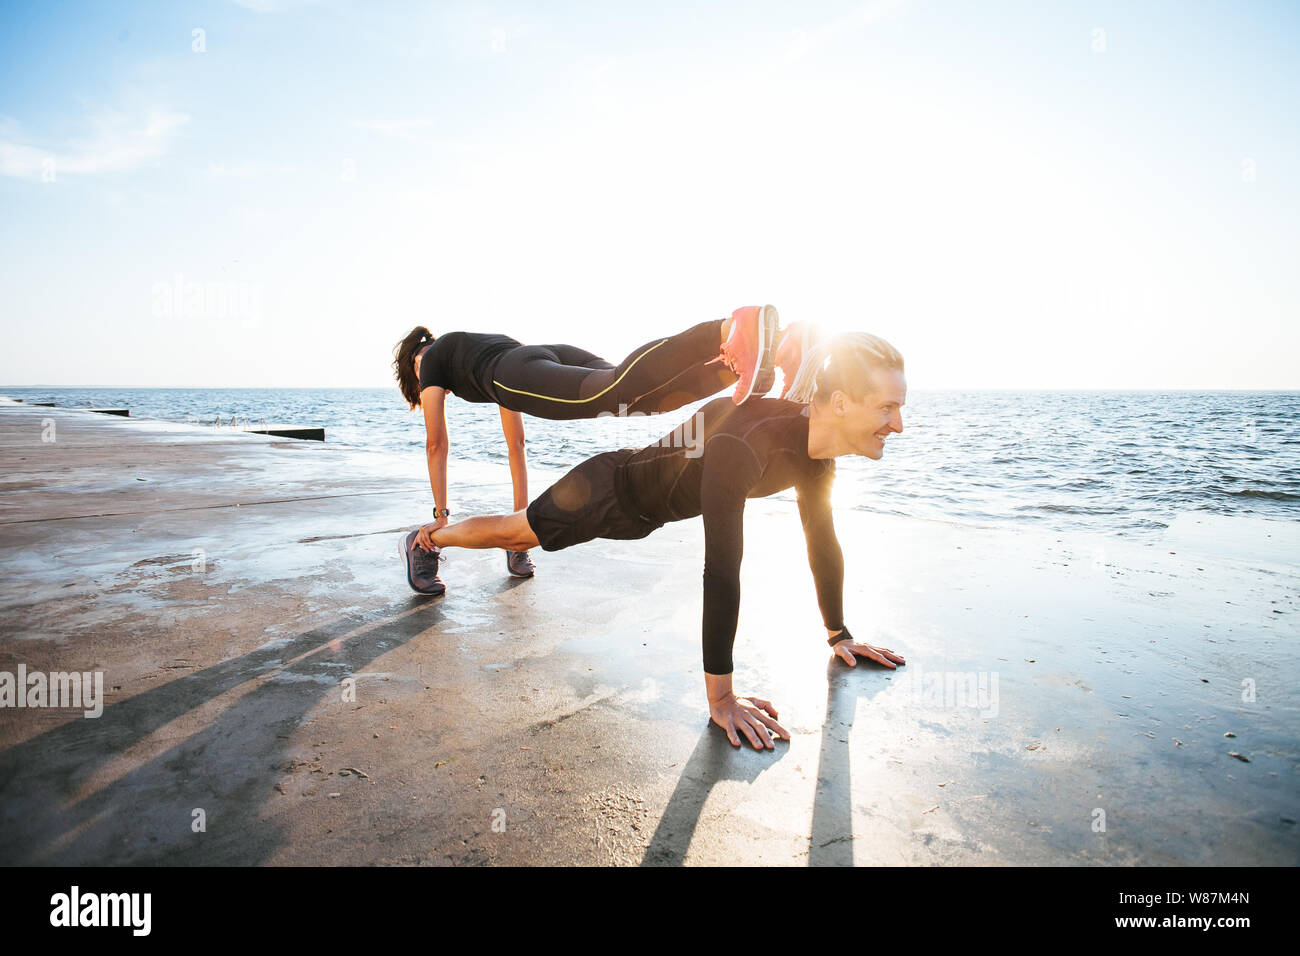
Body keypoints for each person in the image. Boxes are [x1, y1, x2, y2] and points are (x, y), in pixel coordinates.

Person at [406, 332, 909, 749]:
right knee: (516, 532)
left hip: (641, 508)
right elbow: (722, 571)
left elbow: (822, 541)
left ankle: (438, 537)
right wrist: (722, 700)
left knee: (520, 529)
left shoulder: (815, 455)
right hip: (610, 493)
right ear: (840, 403)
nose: (899, 424)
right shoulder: (748, 439)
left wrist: (839, 634)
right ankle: (430, 538)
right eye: (887, 407)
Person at [393, 306, 781, 593]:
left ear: (412, 364)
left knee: (615, 390)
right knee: (640, 398)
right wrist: (517, 532)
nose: (432, 391)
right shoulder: (471, 348)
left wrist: (441, 516)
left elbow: (436, 443)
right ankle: (737, 364)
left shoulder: (428, 360)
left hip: (514, 372)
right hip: (542, 355)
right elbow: (516, 445)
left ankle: (728, 329)